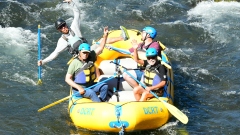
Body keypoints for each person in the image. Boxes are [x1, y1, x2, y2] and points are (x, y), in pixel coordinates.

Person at [65, 26, 109, 102]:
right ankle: (99, 106)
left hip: (91, 85)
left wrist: (105, 36)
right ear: (79, 52)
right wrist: (79, 88)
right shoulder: (74, 63)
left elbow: (101, 47)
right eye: (83, 53)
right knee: (91, 93)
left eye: (87, 53)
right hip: (79, 89)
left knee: (104, 86)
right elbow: (67, 79)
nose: (85, 55)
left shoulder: (91, 56)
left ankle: (101, 102)